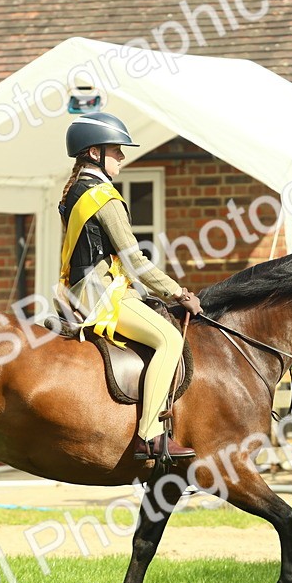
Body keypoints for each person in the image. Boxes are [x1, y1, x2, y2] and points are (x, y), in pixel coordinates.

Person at [59, 112, 203, 460]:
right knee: (169, 339)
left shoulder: (75, 192)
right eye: (116, 150)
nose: (122, 157)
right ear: (95, 153)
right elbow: (135, 260)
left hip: (78, 290)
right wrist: (178, 293)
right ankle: (150, 434)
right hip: (101, 296)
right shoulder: (103, 197)